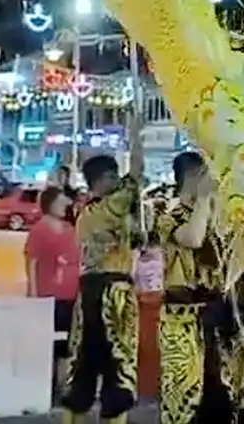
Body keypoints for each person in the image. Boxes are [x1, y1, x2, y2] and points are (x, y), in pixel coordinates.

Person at [153, 151, 232, 424]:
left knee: (219, 395)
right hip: (181, 316)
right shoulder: (167, 212)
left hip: (214, 311)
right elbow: (193, 239)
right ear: (191, 178)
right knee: (183, 396)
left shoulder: (212, 215)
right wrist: (204, 198)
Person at [63, 153, 142, 424]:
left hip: (101, 291)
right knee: (110, 365)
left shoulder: (98, 212)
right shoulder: (100, 211)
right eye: (112, 176)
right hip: (108, 291)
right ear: (98, 181)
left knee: (100, 368)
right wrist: (136, 143)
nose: (117, 180)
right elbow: (134, 182)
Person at [25, 186, 80, 397]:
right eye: (60, 202)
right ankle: (45, 386)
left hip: (71, 292)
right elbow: (31, 261)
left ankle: (62, 384)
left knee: (67, 341)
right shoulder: (39, 229)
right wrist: (32, 291)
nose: (65, 205)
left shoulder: (70, 228)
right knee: (48, 342)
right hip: (47, 294)